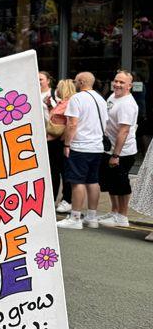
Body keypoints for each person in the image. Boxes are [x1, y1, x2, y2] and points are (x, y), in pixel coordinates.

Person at [57, 72, 108, 230]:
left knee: (77, 182)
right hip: (97, 146)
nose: (74, 83)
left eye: (75, 80)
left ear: (81, 81)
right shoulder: (100, 99)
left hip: (80, 146)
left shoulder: (76, 98)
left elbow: (72, 124)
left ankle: (75, 218)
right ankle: (92, 218)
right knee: (92, 181)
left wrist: (67, 144)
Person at [97, 71, 138, 228]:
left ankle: (123, 216)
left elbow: (124, 131)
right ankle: (114, 212)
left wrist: (116, 155)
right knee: (111, 183)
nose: (117, 84)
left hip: (122, 152)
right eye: (116, 81)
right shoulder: (113, 97)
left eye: (122, 82)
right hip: (108, 149)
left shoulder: (127, 104)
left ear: (129, 86)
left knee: (121, 184)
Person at [48, 79, 75, 213]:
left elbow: (70, 124)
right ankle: (54, 199)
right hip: (54, 142)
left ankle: (67, 199)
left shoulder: (69, 104)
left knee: (62, 172)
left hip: (59, 142)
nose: (56, 89)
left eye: (58, 87)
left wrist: (65, 142)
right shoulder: (62, 102)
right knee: (54, 172)